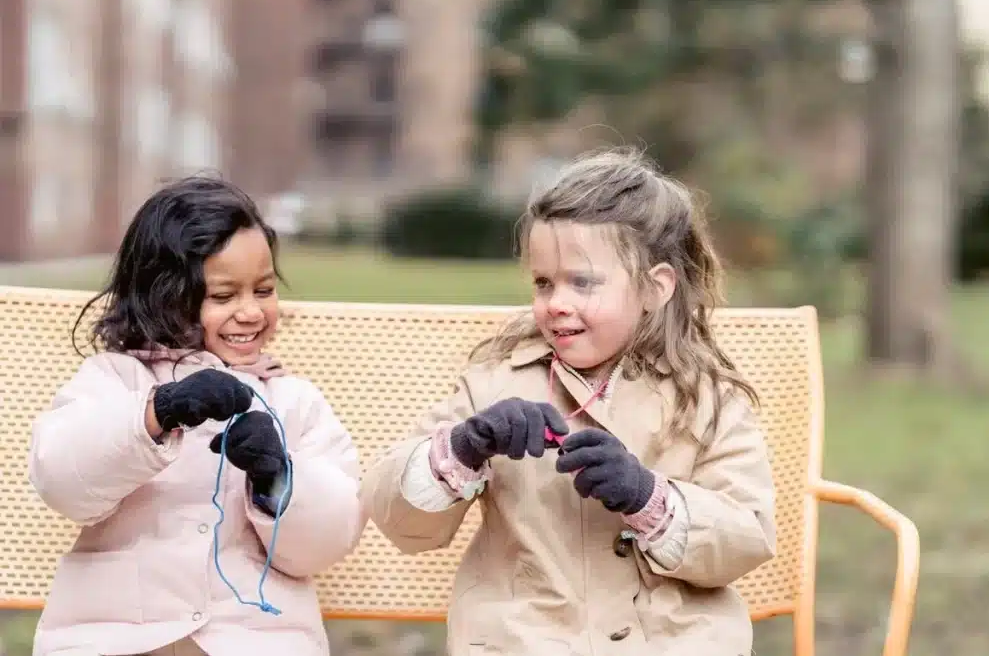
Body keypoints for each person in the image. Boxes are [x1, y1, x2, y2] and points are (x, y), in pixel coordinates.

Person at [362, 148, 776, 656]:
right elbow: (400, 520)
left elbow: (745, 538)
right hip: (527, 640)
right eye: (543, 282)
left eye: (582, 282)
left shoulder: (709, 398)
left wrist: (649, 497)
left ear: (655, 287)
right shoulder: (496, 381)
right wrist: (464, 447)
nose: (556, 302)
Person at [28, 176, 365, 656]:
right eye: (224, 296)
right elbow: (61, 479)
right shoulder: (115, 380)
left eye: (264, 290)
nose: (250, 312)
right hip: (117, 637)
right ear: (163, 294)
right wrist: (155, 412)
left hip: (253, 640)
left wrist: (278, 477)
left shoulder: (293, 402)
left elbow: (327, 543)